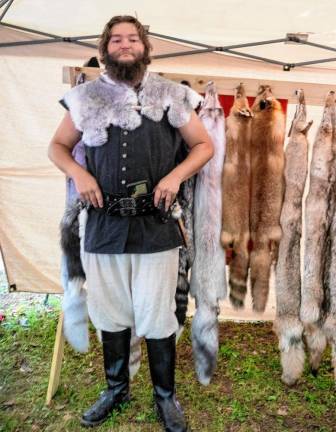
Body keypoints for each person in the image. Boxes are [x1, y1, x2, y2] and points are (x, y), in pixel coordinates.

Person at [48, 15, 214, 431]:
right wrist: (80, 174)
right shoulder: (84, 97)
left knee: (157, 313)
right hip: (103, 225)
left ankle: (164, 397)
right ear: (105, 48)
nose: (125, 45)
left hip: (155, 225)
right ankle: (116, 388)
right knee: (110, 310)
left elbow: (203, 145)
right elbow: (57, 146)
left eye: (132, 38)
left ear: (145, 46)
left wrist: (176, 176)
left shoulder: (173, 95)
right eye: (116, 39)